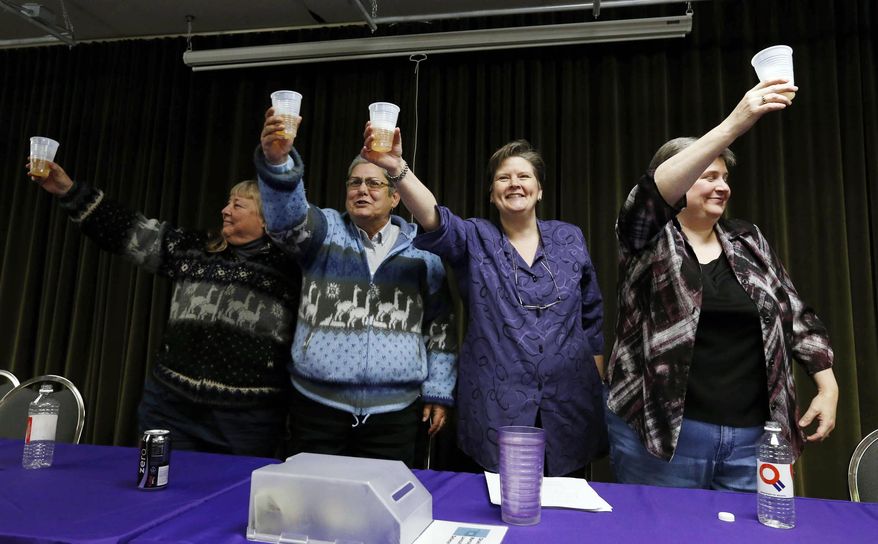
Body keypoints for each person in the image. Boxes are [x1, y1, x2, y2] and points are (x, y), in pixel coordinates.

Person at [606, 79, 839, 491]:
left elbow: (795, 315)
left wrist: (827, 382)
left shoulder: (748, 239)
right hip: (665, 437)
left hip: (754, 441)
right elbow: (648, 199)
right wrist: (735, 123)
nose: (723, 186)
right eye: (708, 175)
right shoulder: (648, 241)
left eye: (725, 177)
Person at [361, 127, 605, 477]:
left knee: (565, 513)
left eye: (524, 176)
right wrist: (397, 168)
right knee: (497, 509)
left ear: (539, 191)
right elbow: (435, 219)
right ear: (492, 194)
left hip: (569, 404)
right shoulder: (475, 237)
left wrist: (593, 378)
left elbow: (591, 311)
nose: (514, 183)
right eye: (503, 178)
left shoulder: (569, 237)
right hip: (496, 405)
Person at [27, 162, 302, 457]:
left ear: (265, 217)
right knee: (157, 491)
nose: (225, 210)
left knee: (236, 499)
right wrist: (69, 190)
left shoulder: (291, 266)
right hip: (171, 408)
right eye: (227, 203)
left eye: (238, 205)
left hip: (246, 421)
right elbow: (127, 231)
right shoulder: (196, 248)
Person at [254, 108, 457, 468]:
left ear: (396, 198)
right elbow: (286, 218)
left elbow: (440, 326)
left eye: (374, 183)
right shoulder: (323, 233)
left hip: (395, 415)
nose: (362, 190)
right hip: (317, 408)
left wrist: (439, 391)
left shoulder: (424, 252)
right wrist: (278, 161)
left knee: (381, 516)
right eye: (354, 182)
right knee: (311, 510)